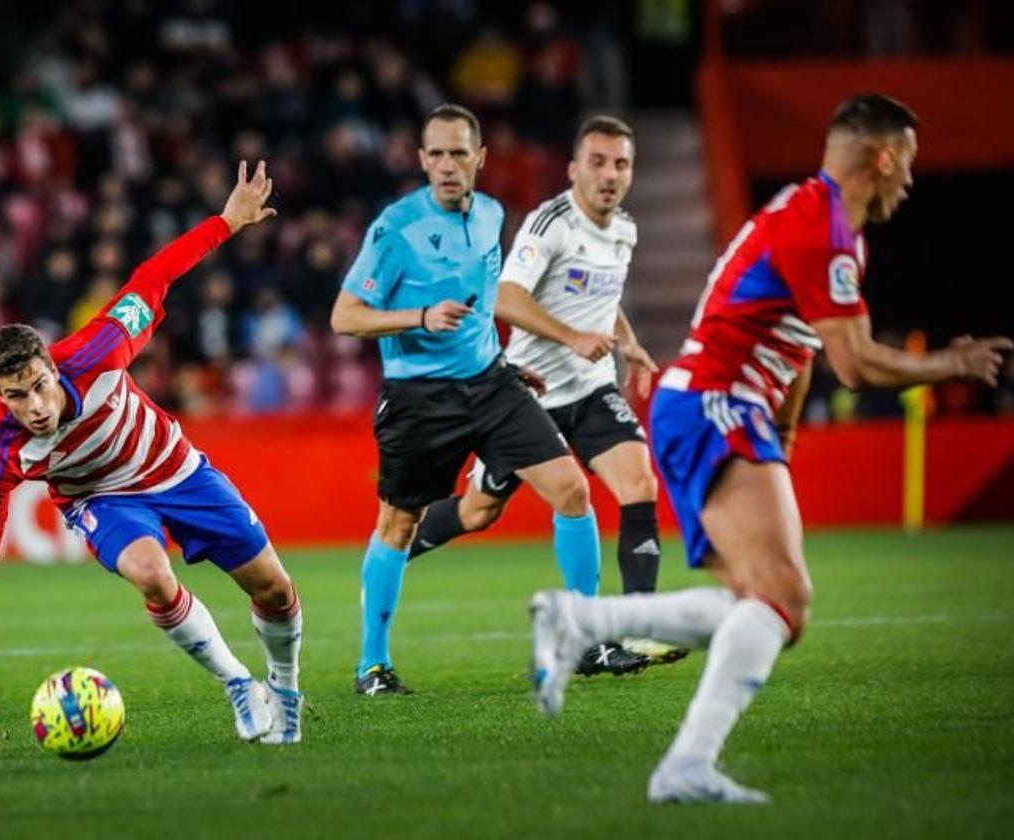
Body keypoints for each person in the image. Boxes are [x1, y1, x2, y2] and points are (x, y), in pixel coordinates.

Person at [529, 93, 1011, 803]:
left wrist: (780, 439)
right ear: (881, 156)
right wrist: (951, 363)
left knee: (762, 603)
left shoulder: (822, 219)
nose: (910, 180)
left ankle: (592, 629)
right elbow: (856, 363)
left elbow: (806, 343)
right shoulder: (823, 226)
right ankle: (677, 755)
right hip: (714, 403)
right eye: (907, 162)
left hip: (716, 407)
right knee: (785, 599)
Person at [0, 162, 306, 745]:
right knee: (151, 575)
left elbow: (152, 278)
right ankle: (236, 682)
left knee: (274, 590)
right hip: (102, 499)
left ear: (53, 366)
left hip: (177, 469)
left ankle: (283, 689)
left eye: (37, 385)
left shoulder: (101, 345)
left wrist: (226, 223)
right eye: (14, 396)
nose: (33, 406)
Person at [330, 104, 603, 695]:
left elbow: (482, 306)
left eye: (459, 153)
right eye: (437, 154)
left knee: (573, 490)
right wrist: (420, 316)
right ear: (422, 159)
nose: (447, 165)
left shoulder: (492, 216)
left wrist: (505, 362)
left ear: (480, 159)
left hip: (490, 383)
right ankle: (371, 665)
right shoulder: (394, 228)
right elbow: (344, 316)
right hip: (419, 397)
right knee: (398, 524)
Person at [407, 115, 685, 675]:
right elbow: (505, 299)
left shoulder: (624, 229)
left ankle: (628, 629)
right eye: (599, 163)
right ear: (575, 170)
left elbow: (606, 297)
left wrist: (625, 344)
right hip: (528, 394)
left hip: (591, 388)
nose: (610, 175)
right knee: (477, 510)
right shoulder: (550, 223)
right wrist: (572, 337)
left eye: (621, 164)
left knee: (638, 483)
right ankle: (392, 546)